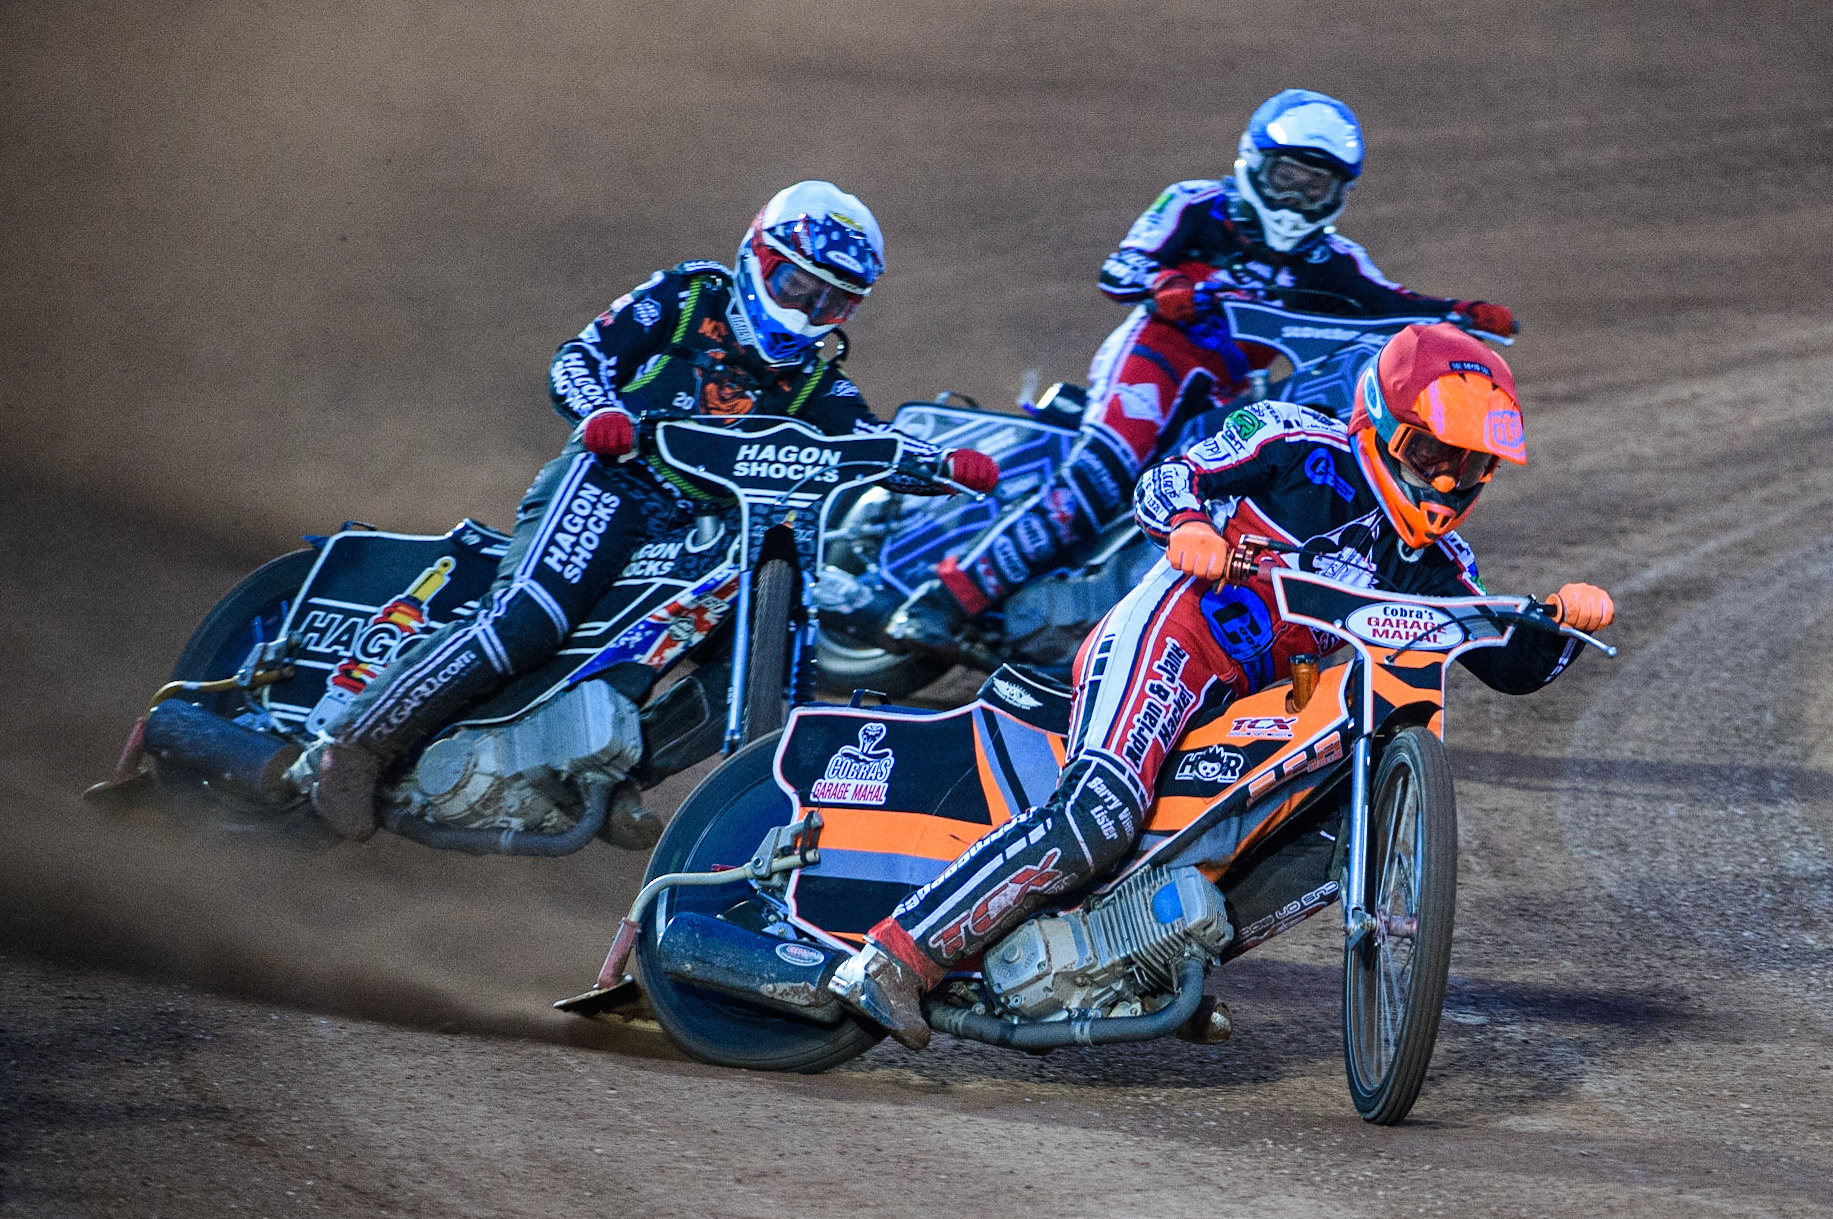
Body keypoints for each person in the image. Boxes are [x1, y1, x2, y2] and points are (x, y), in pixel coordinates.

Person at [830, 322, 1613, 1047]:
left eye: (1468, 465)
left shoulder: (1441, 564)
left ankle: (1146, 960)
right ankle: (896, 957)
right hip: (1172, 641)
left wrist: (1563, 624)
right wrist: (1191, 527)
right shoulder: (1294, 441)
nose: (1445, 482)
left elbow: (1508, 666)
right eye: (1430, 454)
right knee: (1100, 813)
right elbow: (1170, 476)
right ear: (1377, 424)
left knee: (1325, 830)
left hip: (1260, 700)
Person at [309, 181, 1000, 838]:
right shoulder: (689, 294)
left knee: (760, 654)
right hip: (609, 484)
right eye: (796, 286)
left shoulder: (816, 382)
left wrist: (943, 465)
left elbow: (866, 440)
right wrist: (600, 412)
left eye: (830, 304)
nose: (803, 314)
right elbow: (577, 358)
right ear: (758, 258)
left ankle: (614, 780)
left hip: (698, 530)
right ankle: (360, 743)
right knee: (530, 617)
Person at [888, 88, 1520, 659]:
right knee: (1098, 478)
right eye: (1288, 177)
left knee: (1228, 485)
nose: (1297, 199)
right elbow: (1120, 268)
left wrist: (1462, 314)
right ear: (1253, 162)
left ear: (1339, 195)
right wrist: (1163, 284)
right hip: (1153, 360)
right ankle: (945, 600)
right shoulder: (1195, 204)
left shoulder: (1336, 259)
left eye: (1316, 186)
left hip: (1228, 392)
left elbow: (1395, 305)